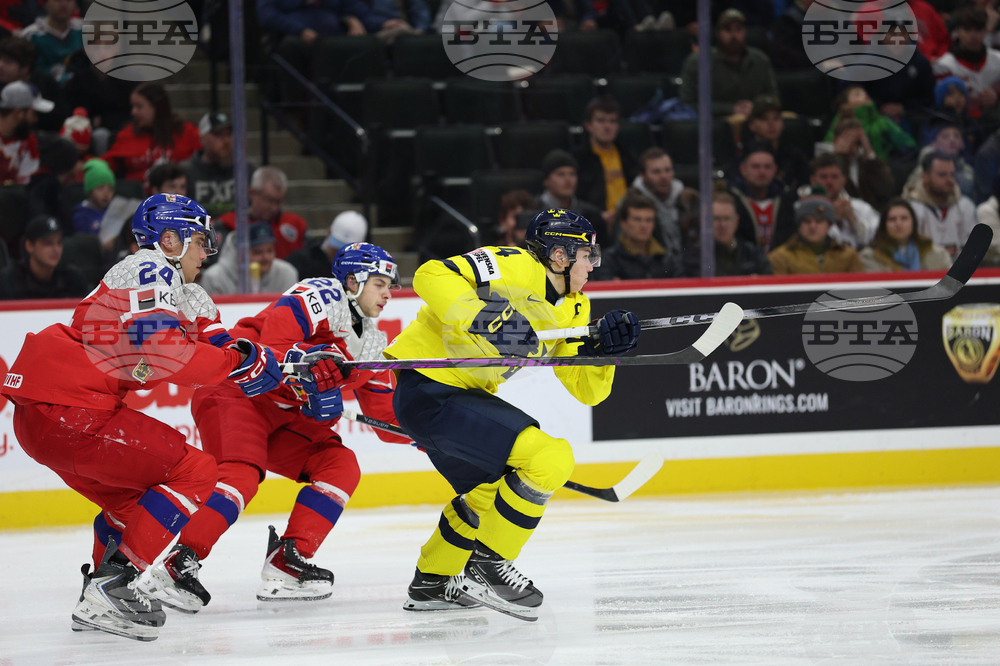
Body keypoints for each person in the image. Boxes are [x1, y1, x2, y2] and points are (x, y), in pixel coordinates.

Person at [0, 194, 283, 641]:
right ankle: (112, 586)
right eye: (200, 240)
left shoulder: (171, 285)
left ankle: (100, 597)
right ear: (168, 239)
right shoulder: (153, 268)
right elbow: (166, 352)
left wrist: (252, 358)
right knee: (197, 470)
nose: (206, 251)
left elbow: (211, 339)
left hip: (47, 413)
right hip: (73, 408)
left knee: (130, 506)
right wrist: (234, 362)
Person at [386, 208, 641, 620]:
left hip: (457, 397)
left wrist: (603, 353)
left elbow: (588, 390)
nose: (593, 264)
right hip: (429, 388)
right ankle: (488, 563)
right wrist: (488, 318)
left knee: (488, 493)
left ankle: (432, 581)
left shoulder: (575, 308)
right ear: (560, 255)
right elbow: (429, 275)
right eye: (588, 256)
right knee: (549, 458)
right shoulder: (510, 265)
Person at [141, 242, 410, 611]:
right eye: (380, 283)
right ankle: (176, 565)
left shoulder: (373, 345)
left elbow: (387, 421)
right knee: (241, 475)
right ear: (352, 280)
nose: (388, 294)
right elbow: (273, 344)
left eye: (391, 287)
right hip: (238, 391)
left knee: (340, 465)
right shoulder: (321, 295)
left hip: (285, 416)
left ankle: (288, 560)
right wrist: (311, 367)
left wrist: (438, 432)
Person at [679, 8, 779, 117]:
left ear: (745, 32)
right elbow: (687, 103)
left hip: (754, 122)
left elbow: (772, 98)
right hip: (713, 125)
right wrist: (731, 109)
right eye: (727, 29)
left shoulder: (760, 60)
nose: (734, 35)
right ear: (717, 33)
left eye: (738, 29)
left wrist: (755, 106)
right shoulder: (698, 61)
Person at [101, 82, 201, 182]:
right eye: (133, 107)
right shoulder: (128, 134)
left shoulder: (186, 131)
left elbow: (205, 160)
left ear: (156, 107)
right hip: (138, 196)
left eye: (139, 107)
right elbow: (103, 165)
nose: (133, 112)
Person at [573, 98, 638, 230]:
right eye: (601, 120)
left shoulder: (628, 156)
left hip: (628, 223)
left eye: (612, 121)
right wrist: (598, 216)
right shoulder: (577, 159)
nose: (607, 127)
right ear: (588, 125)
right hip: (594, 224)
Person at [217, 166, 308, 259]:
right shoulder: (228, 224)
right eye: (269, 200)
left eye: (278, 201)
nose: (274, 208)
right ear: (252, 193)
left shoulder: (296, 224)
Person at [903, 150, 979, 257]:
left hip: (959, 270)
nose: (949, 180)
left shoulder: (965, 206)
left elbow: (973, 250)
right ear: (925, 177)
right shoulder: (910, 208)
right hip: (922, 270)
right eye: (942, 175)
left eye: (952, 174)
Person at [768, 193, 864, 275]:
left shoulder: (849, 256)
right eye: (806, 221)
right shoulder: (780, 257)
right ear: (799, 225)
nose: (812, 226)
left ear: (829, 225)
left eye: (819, 221)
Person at [596, 191, 683, 280]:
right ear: (623, 223)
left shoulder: (668, 260)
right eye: (637, 219)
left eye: (649, 220)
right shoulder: (609, 260)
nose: (643, 226)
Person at [0, 214, 91, 299]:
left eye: (59, 242)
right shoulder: (9, 281)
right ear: (30, 246)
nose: (56, 249)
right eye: (48, 243)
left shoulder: (73, 278)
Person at [933, 6, 1000, 120]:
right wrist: (967, 102)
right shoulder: (944, 65)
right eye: (967, 30)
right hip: (959, 122)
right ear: (958, 32)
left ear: (985, 31)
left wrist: (997, 95)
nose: (973, 36)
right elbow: (942, 103)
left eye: (978, 30)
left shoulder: (998, 59)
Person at [183, 112, 255, 218]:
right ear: (202, 139)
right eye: (218, 135)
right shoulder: (186, 173)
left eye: (229, 134)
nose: (226, 141)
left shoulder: (247, 170)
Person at [726, 141, 795, 251]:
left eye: (767, 167)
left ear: (775, 170)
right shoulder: (730, 201)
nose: (762, 172)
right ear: (743, 169)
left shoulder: (787, 200)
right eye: (755, 166)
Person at [201, 221, 299, 295]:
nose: (265, 257)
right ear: (241, 253)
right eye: (258, 252)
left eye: (269, 250)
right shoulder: (214, 278)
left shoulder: (287, 273)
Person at [626, 147, 685, 268]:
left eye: (667, 170)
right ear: (643, 175)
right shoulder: (630, 203)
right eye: (656, 172)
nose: (664, 176)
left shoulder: (688, 200)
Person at [823, 86, 916, 161]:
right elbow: (828, 145)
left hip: (880, 169)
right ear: (845, 104)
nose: (864, 95)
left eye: (865, 94)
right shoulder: (841, 121)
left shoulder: (883, 122)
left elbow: (907, 143)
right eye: (857, 94)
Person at [859, 198, 953, 272]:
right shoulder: (870, 257)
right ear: (884, 225)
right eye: (892, 219)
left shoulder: (937, 254)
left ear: (913, 223)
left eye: (904, 218)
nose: (898, 224)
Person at [693, 191, 772, 277]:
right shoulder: (694, 257)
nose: (722, 225)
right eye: (716, 219)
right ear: (703, 222)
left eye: (727, 219)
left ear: (736, 221)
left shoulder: (754, 255)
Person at [808, 153, 879, 249]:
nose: (829, 182)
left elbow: (874, 240)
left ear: (844, 180)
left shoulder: (861, 207)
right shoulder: (803, 209)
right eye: (823, 177)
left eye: (834, 176)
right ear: (813, 180)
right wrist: (834, 219)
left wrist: (853, 220)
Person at [537, 149, 606, 245]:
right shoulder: (533, 211)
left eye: (572, 174)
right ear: (546, 180)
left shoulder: (590, 215)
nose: (568, 180)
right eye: (561, 174)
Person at [743, 95, 810, 191]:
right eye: (764, 118)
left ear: (782, 123)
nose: (771, 123)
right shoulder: (744, 155)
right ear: (751, 125)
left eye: (776, 118)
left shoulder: (795, 157)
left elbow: (805, 186)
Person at [287, 209, 368, 279]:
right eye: (336, 247)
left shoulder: (364, 270)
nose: (339, 254)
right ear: (329, 232)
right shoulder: (300, 260)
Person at [19, 0, 83, 83]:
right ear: (45, 4)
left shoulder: (86, 30)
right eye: (57, 0)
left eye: (69, 0)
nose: (64, 4)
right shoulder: (30, 35)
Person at [0, 80, 48, 185]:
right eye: (34, 113)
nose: (36, 120)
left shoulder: (29, 141)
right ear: (18, 113)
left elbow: (25, 187)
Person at [72, 158, 115, 235]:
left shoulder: (114, 211)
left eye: (110, 189)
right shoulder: (82, 215)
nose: (106, 194)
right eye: (100, 188)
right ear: (90, 192)